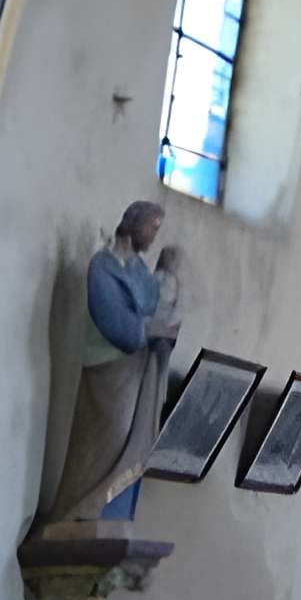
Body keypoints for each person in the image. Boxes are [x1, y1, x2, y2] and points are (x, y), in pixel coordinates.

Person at [34, 201, 184, 529]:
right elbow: (113, 320)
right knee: (108, 435)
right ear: (133, 224)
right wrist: (147, 329)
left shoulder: (140, 272)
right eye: (151, 228)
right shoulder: (103, 266)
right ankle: (75, 511)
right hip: (107, 371)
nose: (153, 236)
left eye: (157, 230)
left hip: (137, 370)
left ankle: (105, 510)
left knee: (132, 440)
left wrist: (166, 277)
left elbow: (152, 305)